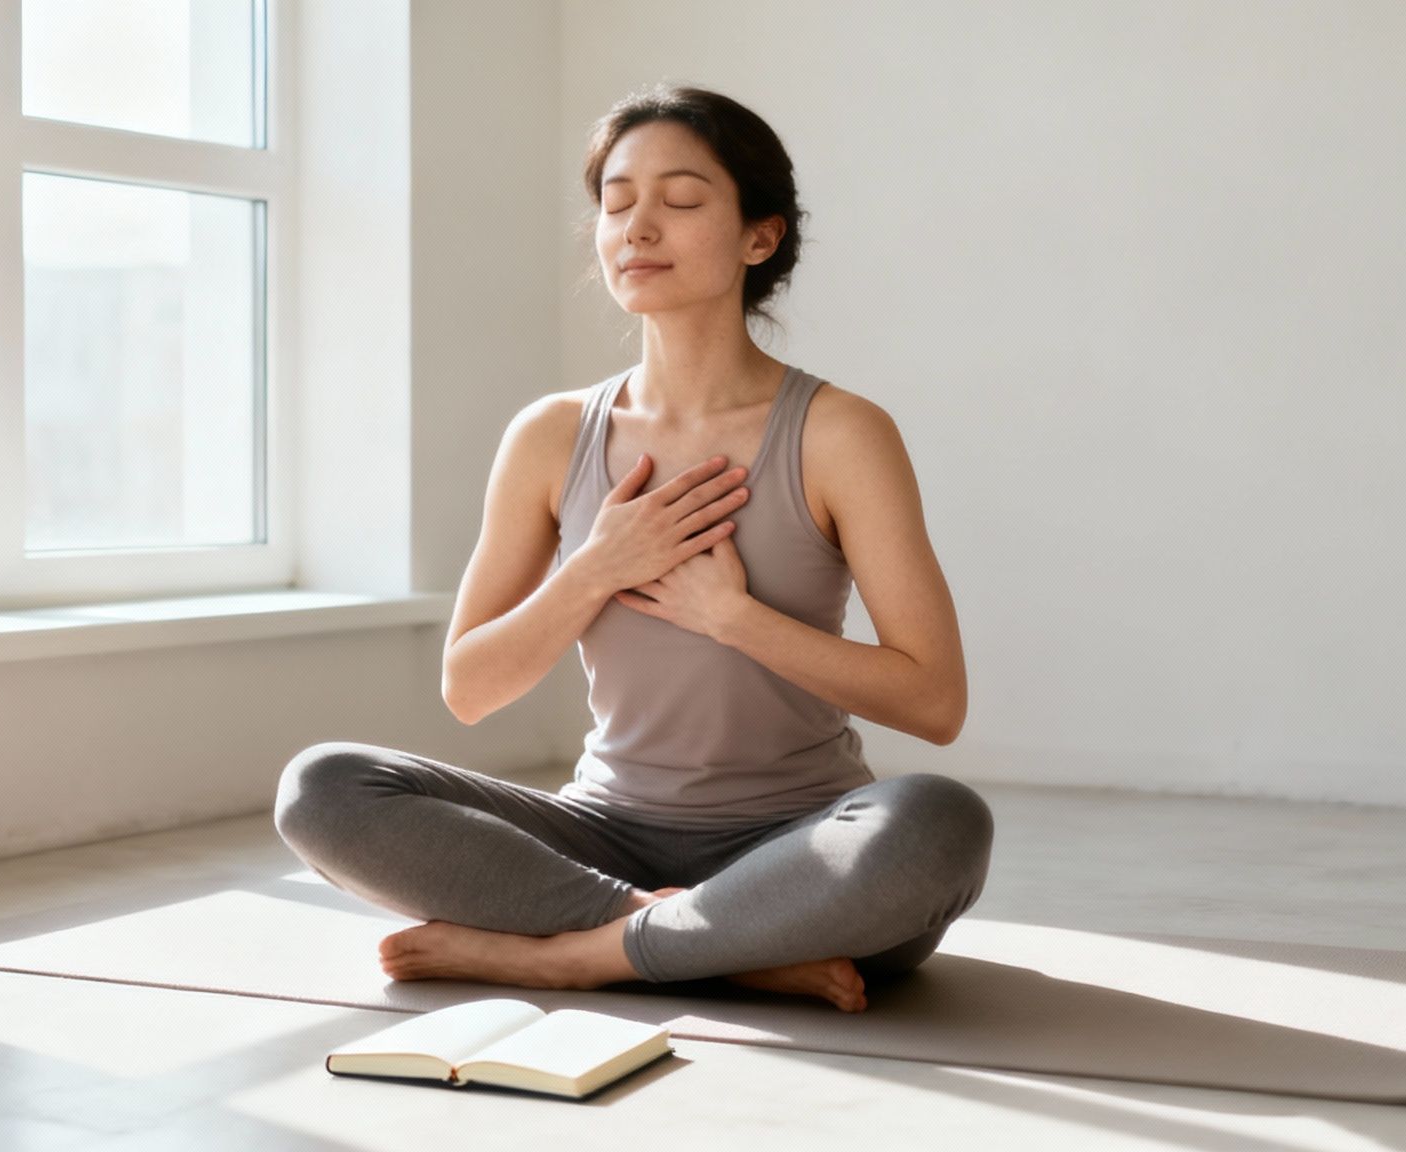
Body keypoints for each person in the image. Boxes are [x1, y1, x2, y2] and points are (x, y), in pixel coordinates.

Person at [274, 84, 989, 1013]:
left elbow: (934, 701)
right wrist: (597, 567)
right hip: (602, 833)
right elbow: (470, 686)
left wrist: (730, 617)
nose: (637, 228)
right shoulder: (550, 434)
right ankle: (702, 943)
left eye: (682, 202)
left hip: (800, 843)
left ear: (758, 237)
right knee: (323, 788)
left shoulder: (839, 434)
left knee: (939, 823)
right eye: (616, 204)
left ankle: (570, 954)